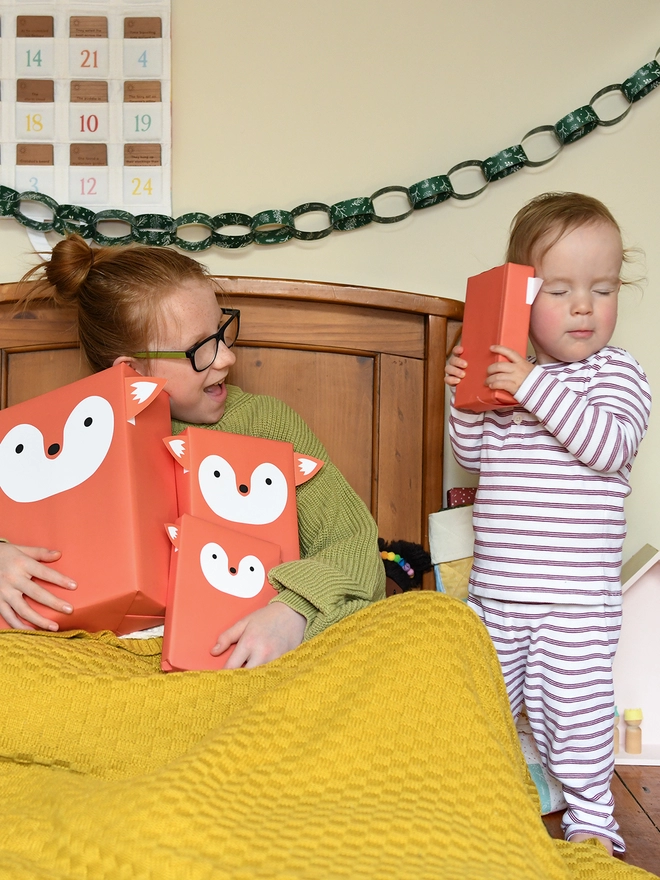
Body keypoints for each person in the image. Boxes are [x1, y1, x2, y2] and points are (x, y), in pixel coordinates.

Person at [0, 235, 384, 667]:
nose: (226, 358)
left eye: (222, 330)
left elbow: (355, 546)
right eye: (200, 349)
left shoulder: (267, 424)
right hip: (102, 658)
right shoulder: (63, 434)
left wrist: (291, 611)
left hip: (251, 650)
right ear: (130, 368)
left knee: (430, 623)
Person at [444, 192, 652, 855]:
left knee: (576, 715)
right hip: (498, 595)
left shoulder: (618, 375)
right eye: (560, 290)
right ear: (519, 299)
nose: (585, 306)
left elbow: (609, 445)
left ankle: (594, 816)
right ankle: (485, 800)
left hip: (575, 604)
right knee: (483, 711)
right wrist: (467, 399)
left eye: (603, 288)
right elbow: (472, 458)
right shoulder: (506, 384)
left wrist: (532, 385)